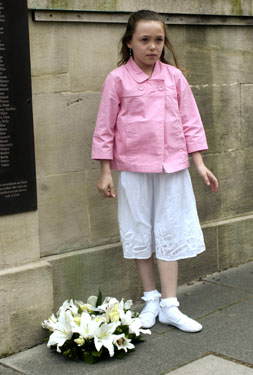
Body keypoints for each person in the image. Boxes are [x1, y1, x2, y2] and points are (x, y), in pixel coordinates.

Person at [92, 10, 218, 333]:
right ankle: (150, 298)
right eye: (144, 40)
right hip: (133, 169)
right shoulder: (117, 80)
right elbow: (104, 128)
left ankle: (170, 306)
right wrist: (105, 171)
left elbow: (191, 122)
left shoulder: (174, 78)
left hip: (172, 167)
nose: (152, 46)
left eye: (158, 40)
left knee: (169, 229)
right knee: (139, 230)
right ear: (130, 42)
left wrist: (199, 163)